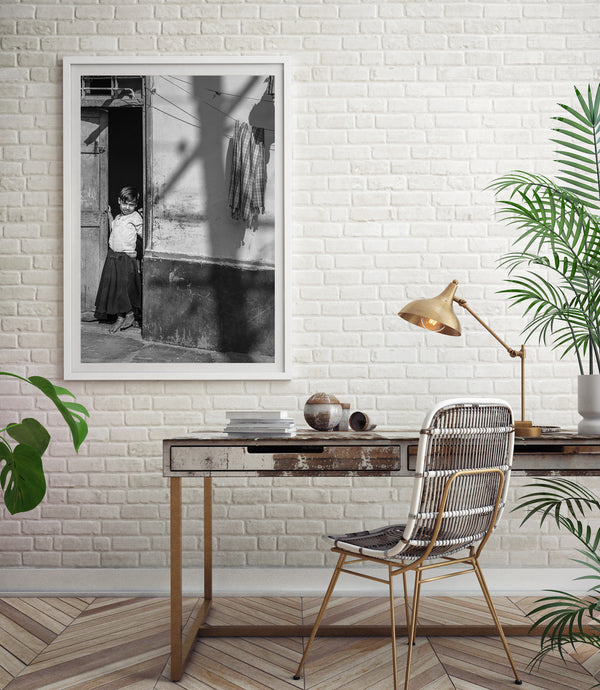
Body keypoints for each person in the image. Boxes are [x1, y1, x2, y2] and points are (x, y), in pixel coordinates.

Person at [94, 186, 143, 333]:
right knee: (115, 288)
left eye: (132, 204)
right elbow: (113, 229)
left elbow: (144, 234)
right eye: (125, 203)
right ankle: (121, 315)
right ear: (119, 201)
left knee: (124, 289)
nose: (128, 207)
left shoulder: (136, 218)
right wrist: (109, 215)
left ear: (136, 204)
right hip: (113, 256)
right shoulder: (118, 218)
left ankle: (126, 315)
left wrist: (139, 255)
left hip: (126, 258)